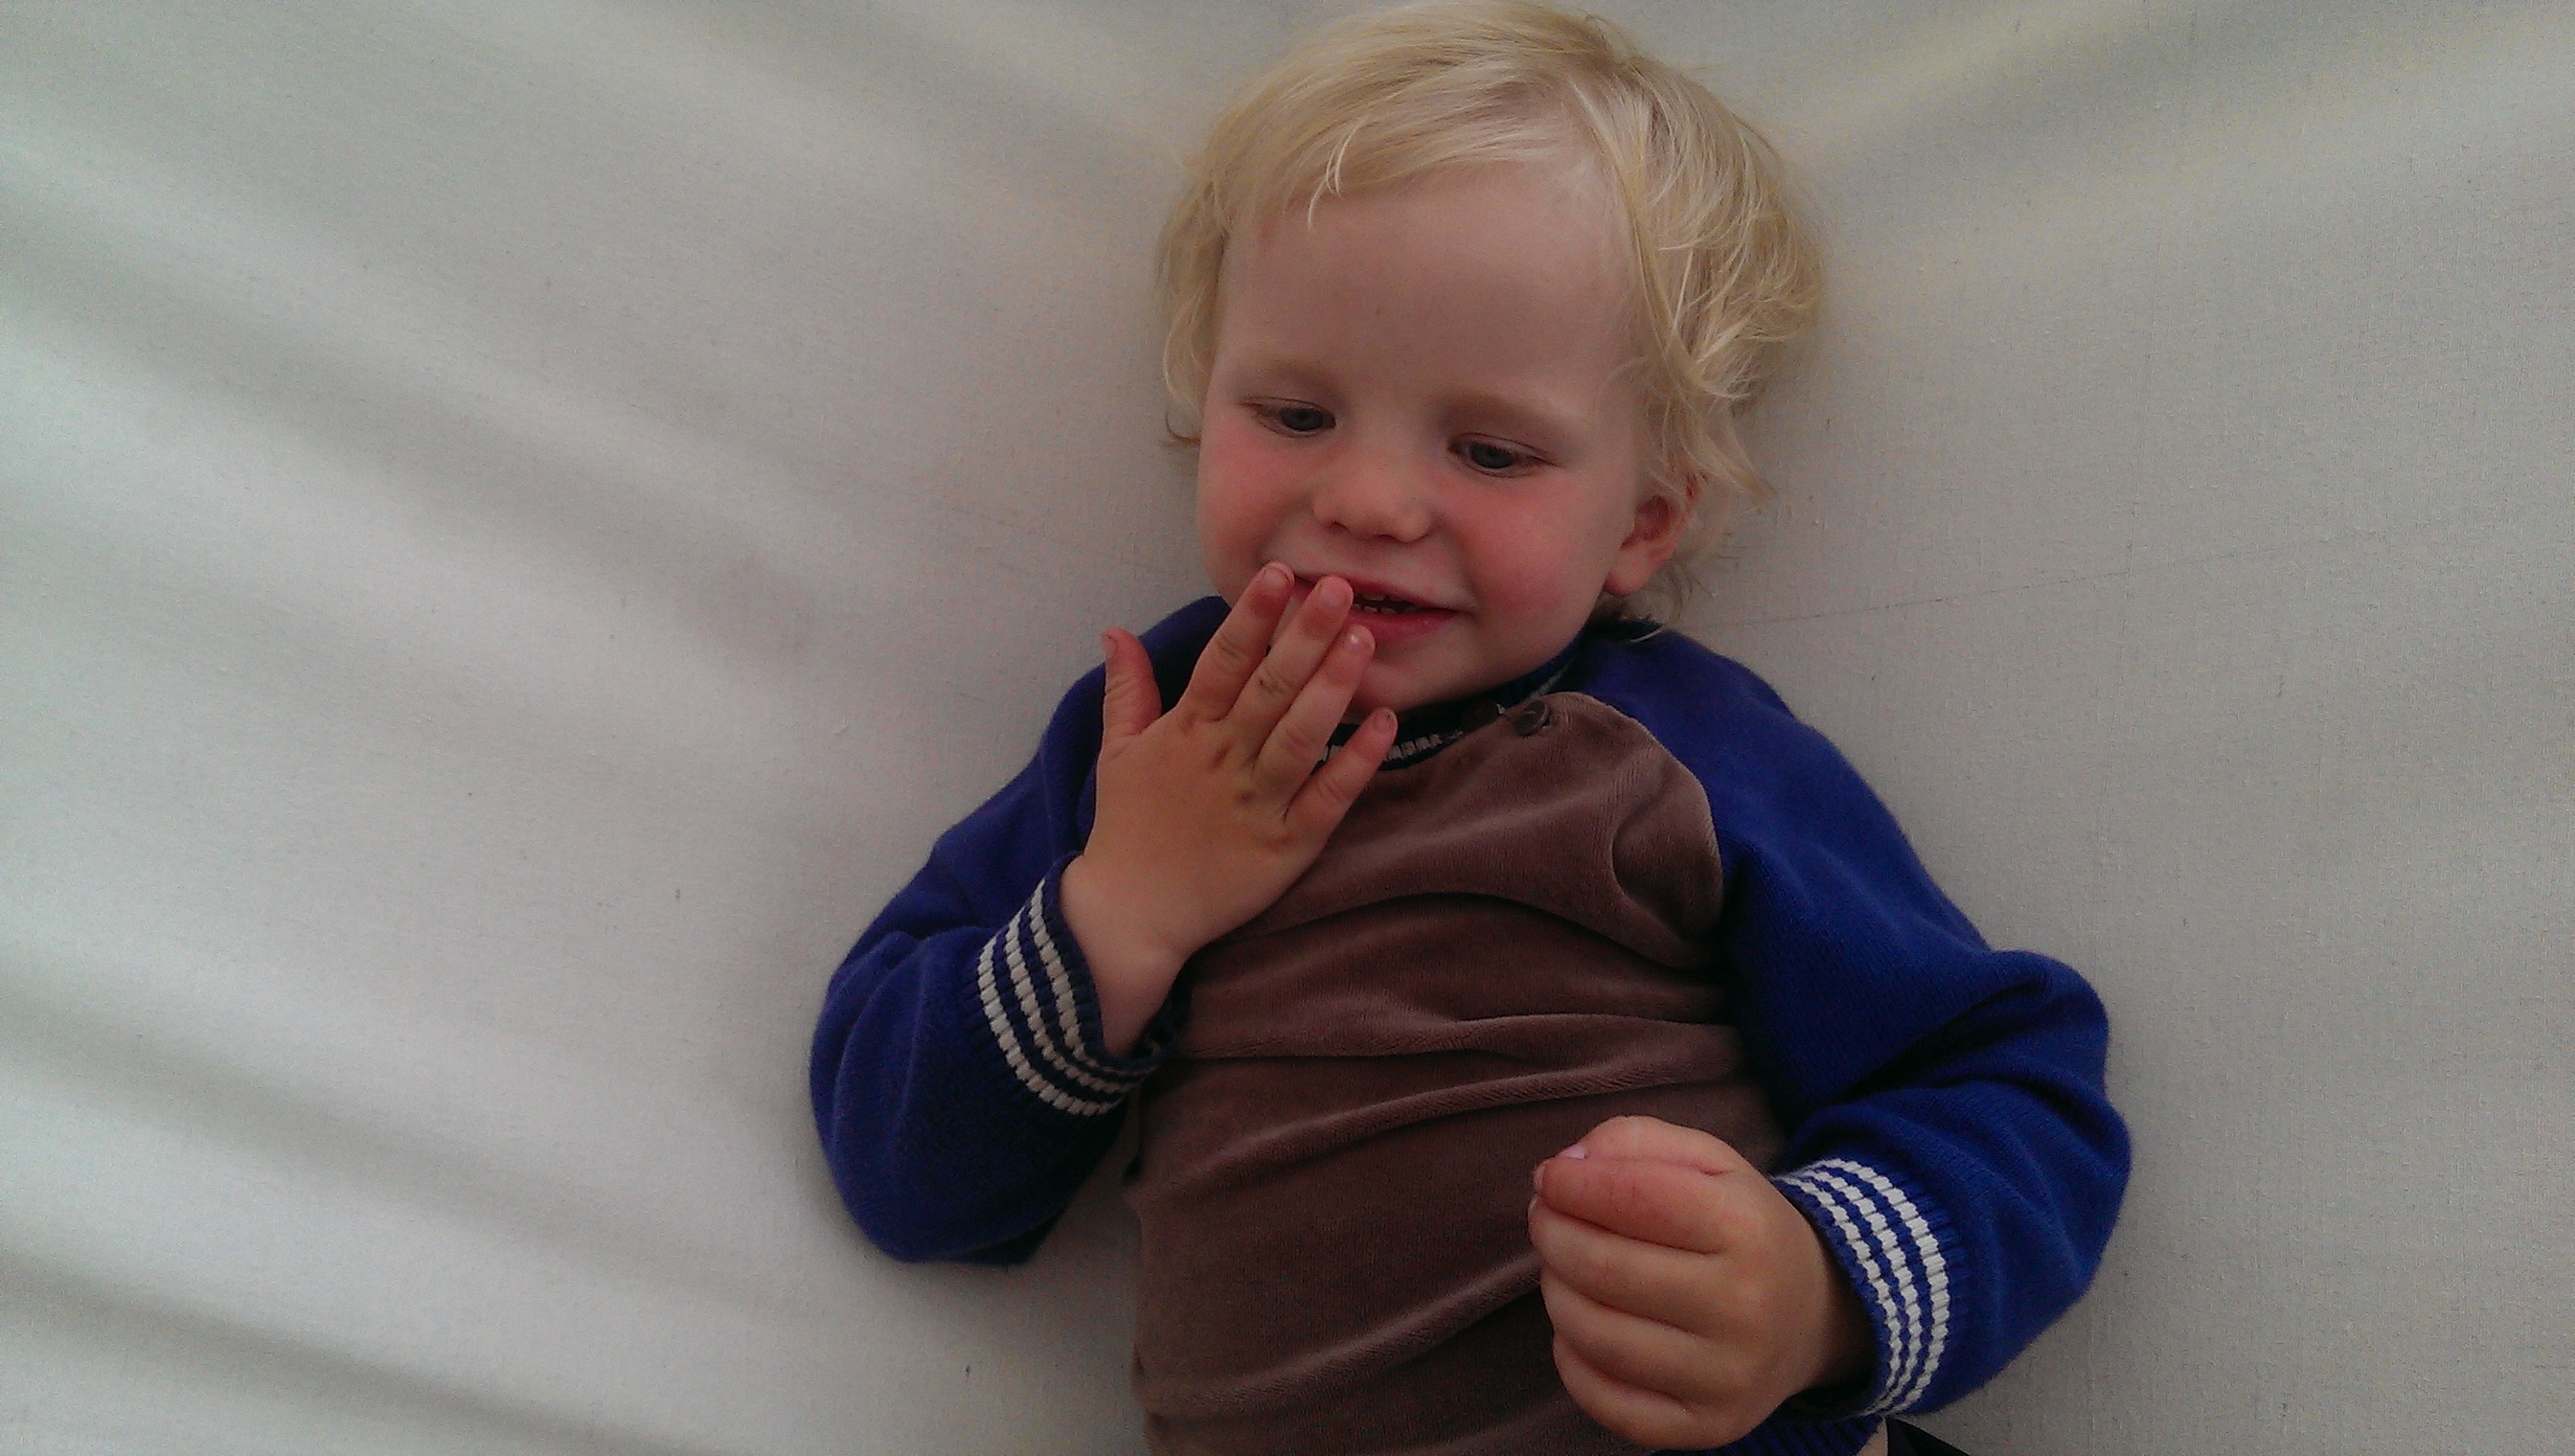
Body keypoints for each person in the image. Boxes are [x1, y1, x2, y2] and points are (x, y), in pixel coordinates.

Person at [808, 4, 2128, 1453]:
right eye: (1294, 413)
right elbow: (903, 1176)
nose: (1369, 500)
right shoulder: (1152, 741)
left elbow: (2011, 1087)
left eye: (1490, 450)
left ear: (1643, 523)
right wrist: (1119, 913)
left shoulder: (1674, 755)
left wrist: (1816, 1293)